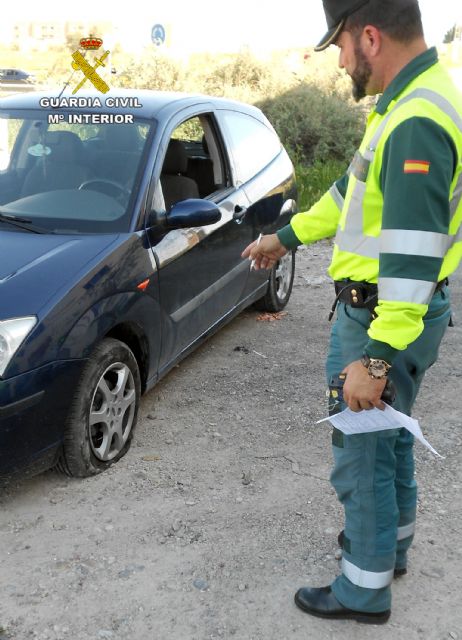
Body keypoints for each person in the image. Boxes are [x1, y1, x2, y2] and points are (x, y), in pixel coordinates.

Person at [242, 0, 462, 624]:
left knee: (361, 450)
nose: (340, 61)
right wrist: (282, 239)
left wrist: (375, 356)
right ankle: (390, 549)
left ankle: (363, 590)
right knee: (389, 439)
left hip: (382, 319)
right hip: (398, 316)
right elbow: (349, 197)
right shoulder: (409, 102)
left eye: (339, 44)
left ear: (369, 36)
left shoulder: (415, 120)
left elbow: (414, 258)